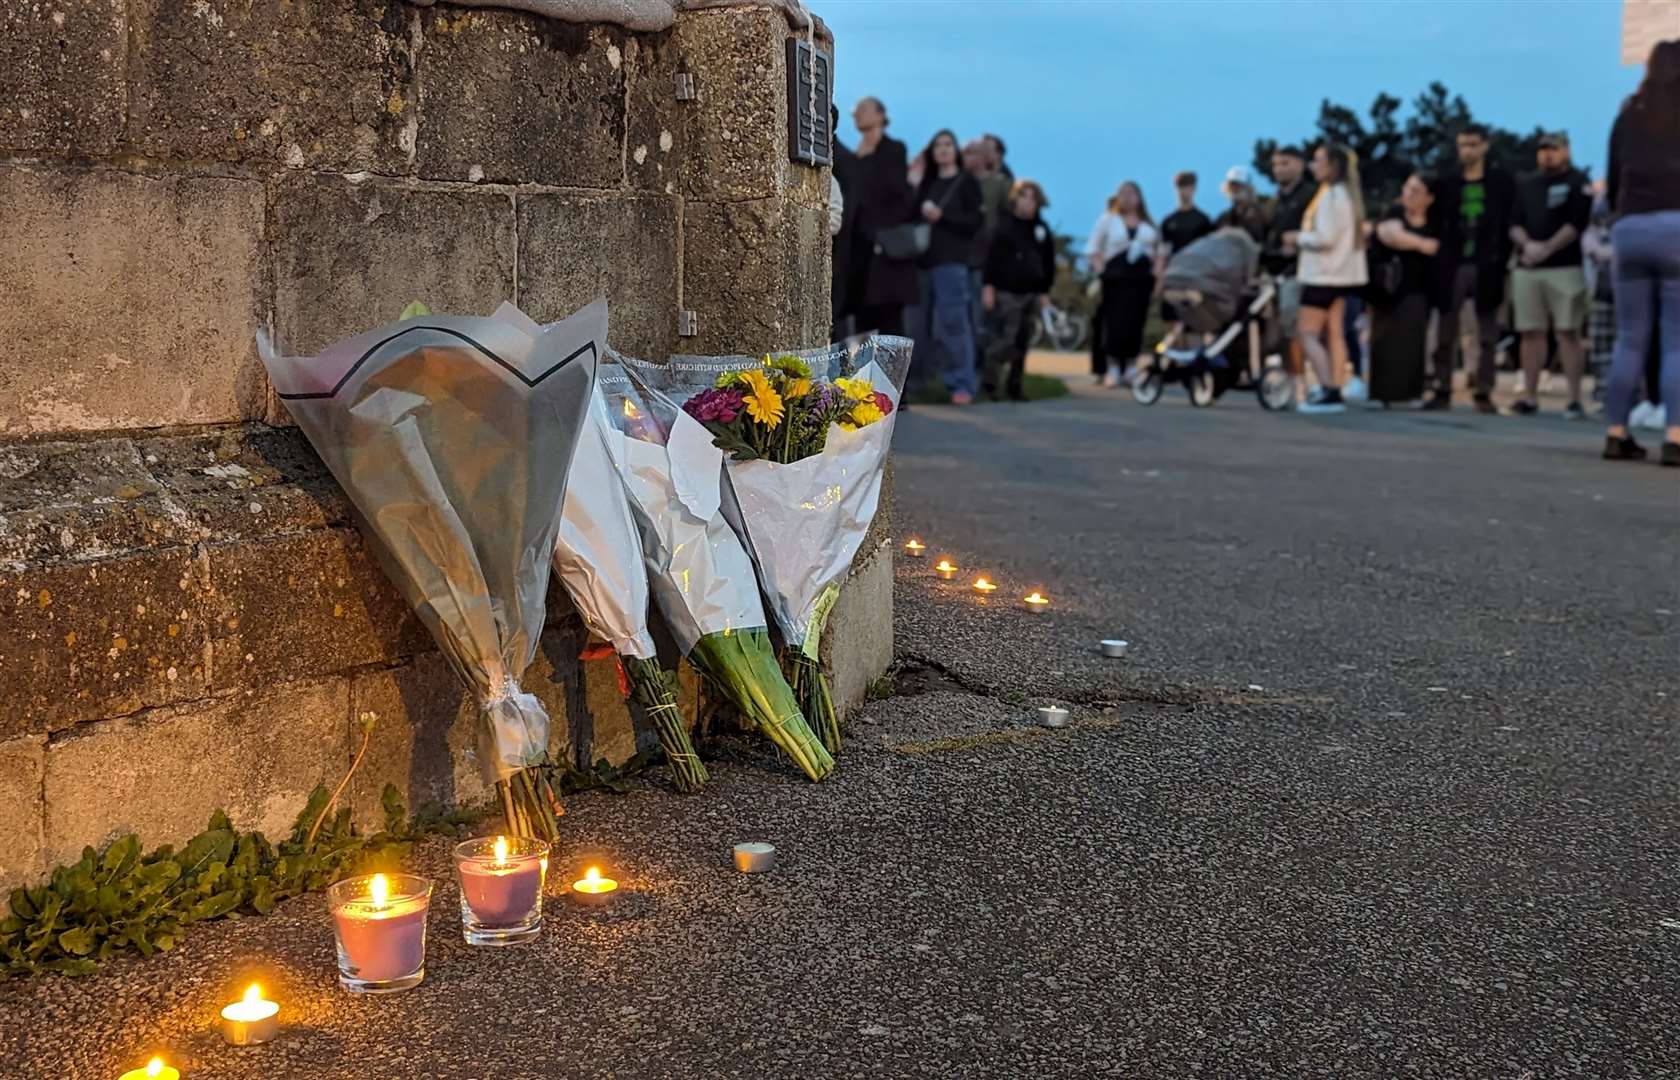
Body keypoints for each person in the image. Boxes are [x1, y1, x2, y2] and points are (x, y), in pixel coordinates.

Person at [1601, 39, 1680, 465]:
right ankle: (1675, 435)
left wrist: (1622, 212)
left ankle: (1616, 432)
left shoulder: (1629, 112)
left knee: (1630, 337)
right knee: (1676, 343)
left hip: (1630, 229)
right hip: (1677, 228)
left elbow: (1613, 177)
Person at [1431, 124, 1516, 412]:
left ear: (1484, 146)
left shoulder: (1499, 183)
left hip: (1488, 263)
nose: (1466, 150)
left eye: (1472, 145)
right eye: (1462, 144)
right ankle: (1441, 386)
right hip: (1453, 262)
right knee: (1446, 329)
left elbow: (1509, 220)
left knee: (1487, 331)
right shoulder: (1448, 182)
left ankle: (1483, 388)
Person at [1508, 132, 1593, 417]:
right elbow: (1514, 222)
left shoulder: (1577, 182)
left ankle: (1574, 398)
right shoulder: (1527, 184)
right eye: (1543, 149)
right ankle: (1529, 396)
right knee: (1530, 332)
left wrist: (1547, 248)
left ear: (1566, 151)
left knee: (1569, 332)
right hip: (1528, 267)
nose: (1547, 155)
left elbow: (1576, 223)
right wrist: (1528, 246)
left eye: (1554, 149)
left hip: (1565, 267)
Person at [1287, 143, 1368, 414]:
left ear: (1332, 165)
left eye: (1318, 160)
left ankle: (1328, 388)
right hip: (1342, 276)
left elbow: (1326, 238)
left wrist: (1297, 238)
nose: (1313, 165)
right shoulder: (1347, 196)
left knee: (1307, 332)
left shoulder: (1333, 197)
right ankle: (1334, 384)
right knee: (1335, 333)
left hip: (1323, 276)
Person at [911, 128, 984, 404]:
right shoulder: (927, 183)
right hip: (922, 262)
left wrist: (943, 216)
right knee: (918, 325)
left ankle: (962, 384)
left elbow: (975, 223)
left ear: (955, 151)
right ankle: (919, 383)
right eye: (938, 145)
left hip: (952, 262)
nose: (943, 149)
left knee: (953, 323)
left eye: (948, 144)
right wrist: (914, 183)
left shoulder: (965, 182)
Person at [846, 97, 917, 342]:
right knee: (862, 324)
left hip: (886, 255)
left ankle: (896, 379)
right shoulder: (855, 155)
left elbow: (898, 195)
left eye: (862, 109)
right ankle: (864, 380)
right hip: (860, 254)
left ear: (880, 115)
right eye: (856, 110)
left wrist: (878, 234)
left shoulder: (893, 150)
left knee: (889, 324)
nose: (855, 113)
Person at [1367, 172, 1441, 405]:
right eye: (1407, 188)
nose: (1408, 194)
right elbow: (1389, 235)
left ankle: (1411, 392)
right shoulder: (1394, 212)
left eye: (1416, 191)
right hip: (1388, 290)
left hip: (1419, 289)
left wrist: (1418, 244)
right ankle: (1382, 393)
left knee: (1413, 343)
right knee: (1384, 340)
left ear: (1429, 198)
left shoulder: (1435, 221)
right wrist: (1420, 244)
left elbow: (1437, 247)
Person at [981, 180, 1056, 402]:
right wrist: (988, 286)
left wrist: (1044, 292)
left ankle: (1015, 385)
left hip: (1031, 292)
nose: (1028, 202)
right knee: (1007, 338)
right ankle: (990, 380)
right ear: (1016, 199)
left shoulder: (1041, 229)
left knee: (1023, 340)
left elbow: (1048, 262)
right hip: (1006, 291)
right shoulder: (1004, 226)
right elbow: (991, 258)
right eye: (1024, 196)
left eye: (1033, 198)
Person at [1086, 181, 1159, 387]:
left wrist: (1157, 277)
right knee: (1113, 323)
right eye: (1122, 194)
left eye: (1131, 194)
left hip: (1140, 281)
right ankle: (1112, 367)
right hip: (1115, 279)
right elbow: (1093, 248)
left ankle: (1131, 366)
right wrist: (1102, 271)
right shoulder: (1108, 220)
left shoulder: (1148, 225)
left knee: (1135, 322)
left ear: (1139, 197)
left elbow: (1158, 252)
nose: (1126, 198)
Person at [966, 137, 1013, 368]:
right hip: (959, 258)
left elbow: (1008, 220)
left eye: (974, 153)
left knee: (981, 319)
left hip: (985, 261)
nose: (968, 157)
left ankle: (981, 369)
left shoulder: (999, 184)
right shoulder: (960, 182)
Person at [1262, 146, 1315, 350]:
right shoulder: (1275, 202)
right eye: (1275, 164)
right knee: (1272, 326)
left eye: (1285, 163)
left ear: (1300, 164)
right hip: (1274, 273)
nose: (1278, 169)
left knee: (1292, 321)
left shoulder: (1311, 196)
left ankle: (1301, 375)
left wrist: (1298, 242)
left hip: (1299, 272)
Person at [1156, 171, 1214, 322]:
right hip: (1174, 275)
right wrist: (1160, 277)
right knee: (1172, 317)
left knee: (1196, 317)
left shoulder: (1203, 220)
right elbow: (1163, 251)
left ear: (1194, 189)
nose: (1183, 191)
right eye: (1180, 187)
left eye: (1187, 187)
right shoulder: (1168, 221)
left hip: (1195, 275)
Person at [1215, 165, 1269, 245]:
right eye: (1231, 187)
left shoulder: (1263, 214)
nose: (1235, 190)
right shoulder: (1223, 218)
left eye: (1239, 186)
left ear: (1249, 189)